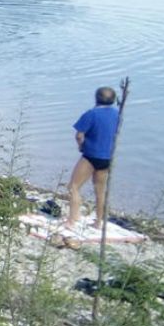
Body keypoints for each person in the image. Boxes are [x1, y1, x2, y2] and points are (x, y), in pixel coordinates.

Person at [66, 87, 120, 229]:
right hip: (107, 157)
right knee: (100, 190)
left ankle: (72, 219)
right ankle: (98, 222)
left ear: (96, 98)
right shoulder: (117, 114)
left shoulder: (91, 114)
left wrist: (81, 146)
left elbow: (79, 134)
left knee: (74, 186)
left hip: (91, 155)